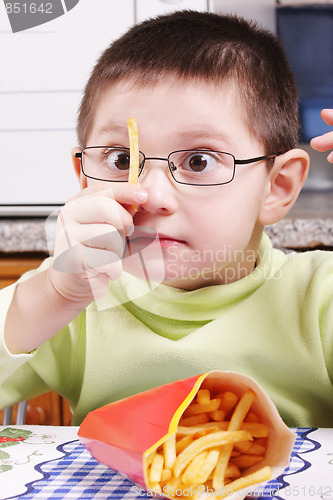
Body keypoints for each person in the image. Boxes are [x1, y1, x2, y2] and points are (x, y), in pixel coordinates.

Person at [1, 11, 333, 427]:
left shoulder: (319, 299)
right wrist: (52, 298)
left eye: (198, 160)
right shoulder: (74, 294)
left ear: (277, 186)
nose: (151, 196)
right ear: (84, 177)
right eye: (121, 160)